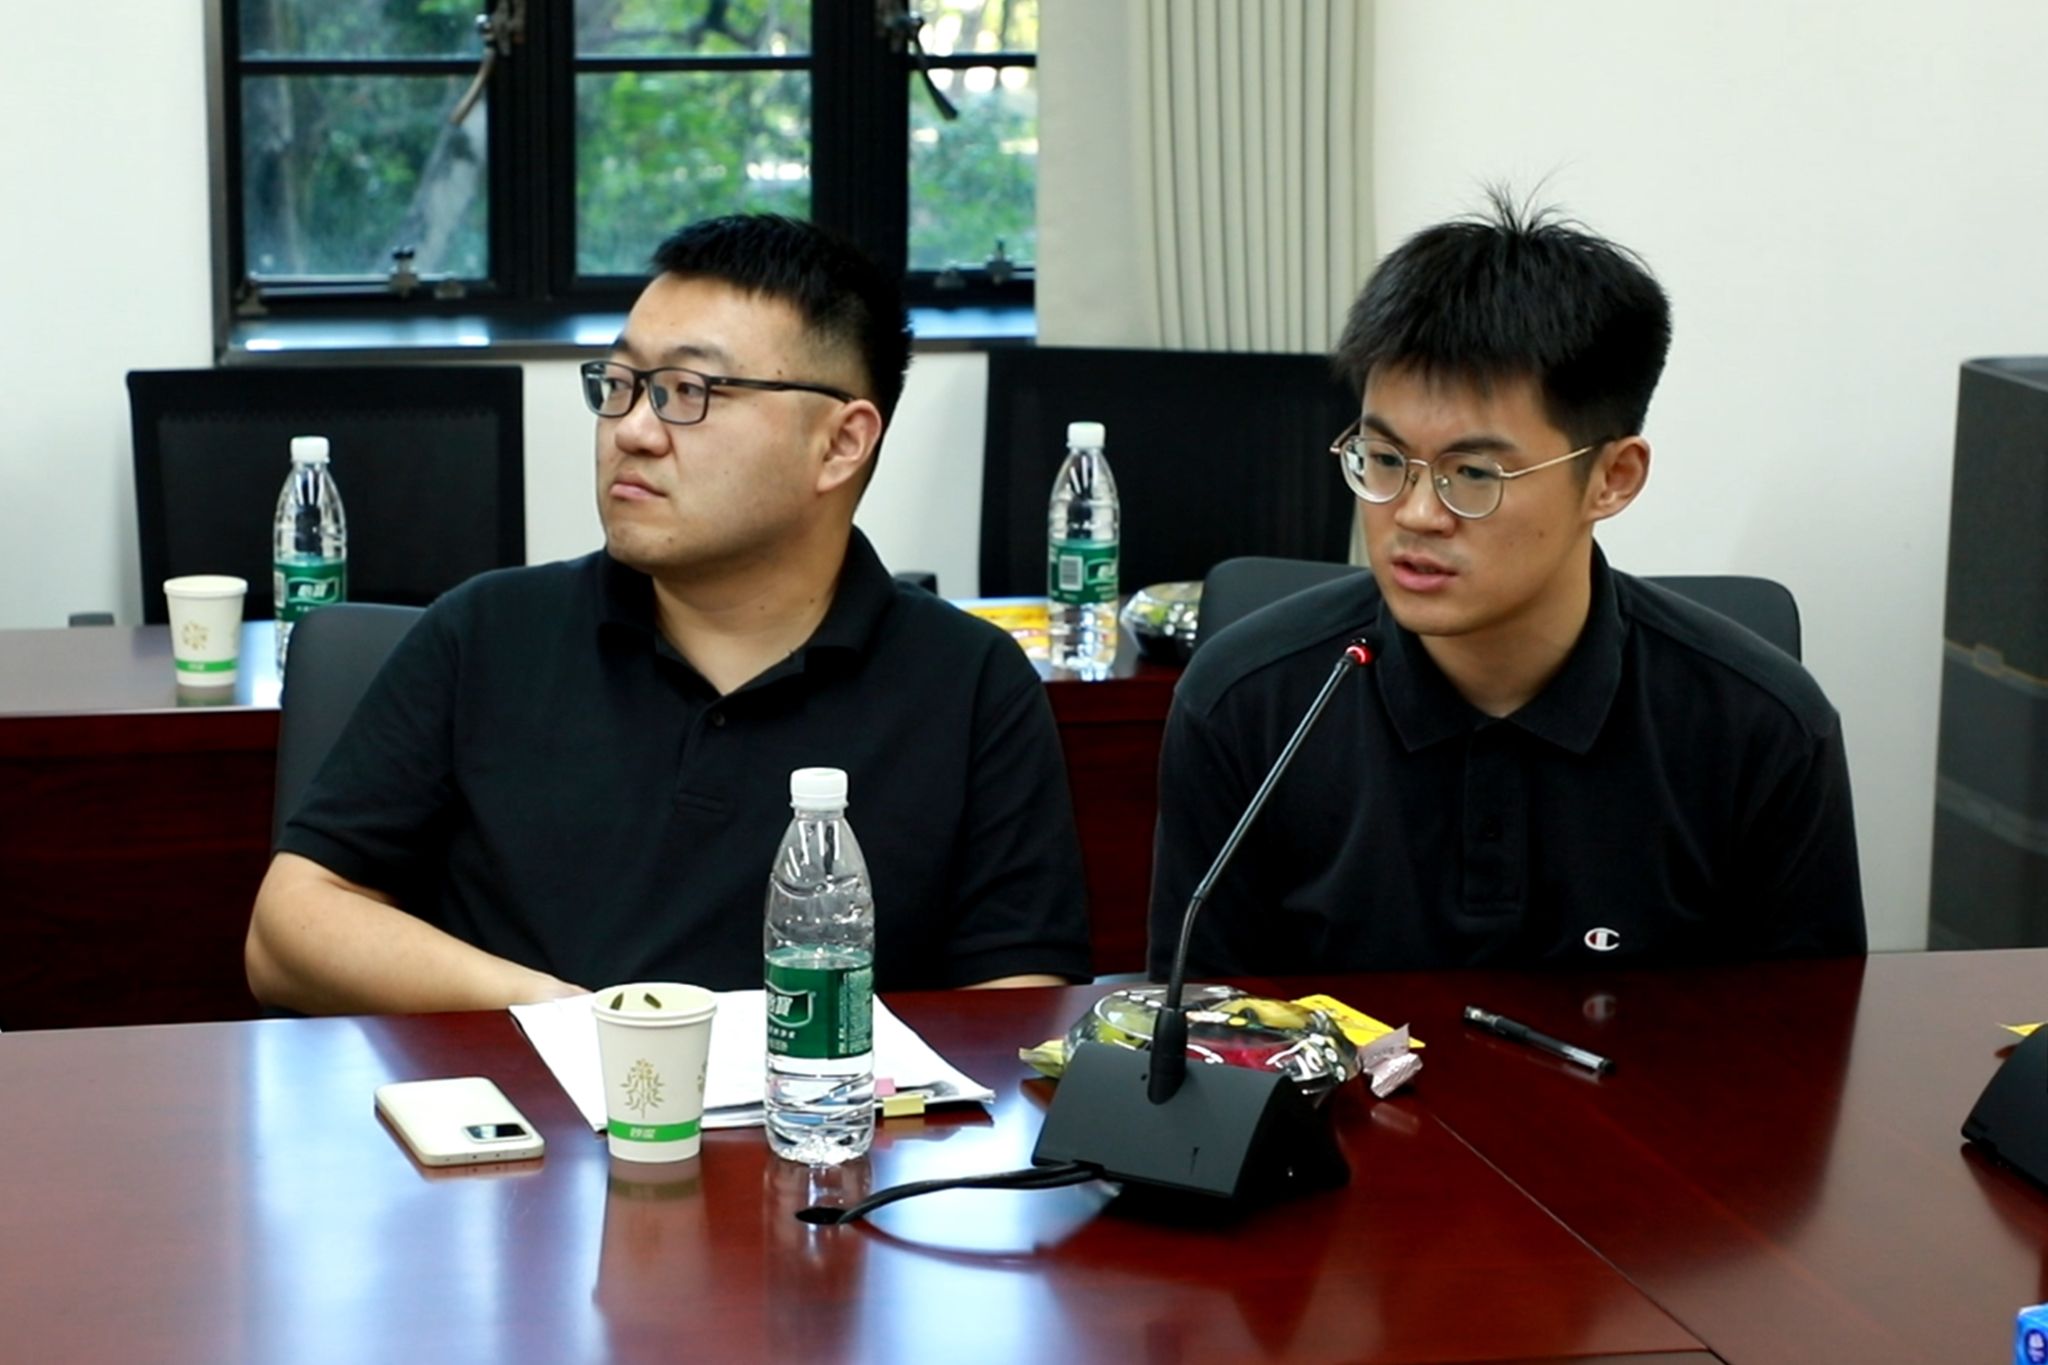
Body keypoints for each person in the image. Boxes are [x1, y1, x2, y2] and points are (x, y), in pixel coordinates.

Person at [248, 214, 1093, 1014]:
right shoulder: (485, 633)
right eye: (621, 385)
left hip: (827, 1119)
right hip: (523, 1110)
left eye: (687, 390)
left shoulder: (971, 684)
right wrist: (574, 1022)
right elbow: (289, 928)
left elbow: (1017, 1003)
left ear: (840, 443)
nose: (634, 430)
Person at [1148, 193, 1865, 979]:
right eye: (1383, 460)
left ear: (1613, 478)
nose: (1415, 514)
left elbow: (1804, 1043)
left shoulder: (1764, 729)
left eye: (1473, 474)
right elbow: (1202, 1028)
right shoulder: (1246, 703)